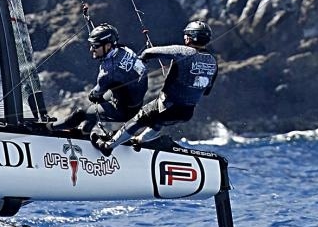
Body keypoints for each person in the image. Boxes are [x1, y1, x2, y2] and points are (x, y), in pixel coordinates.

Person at [94, 19, 218, 153]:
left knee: (138, 119)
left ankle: (108, 146)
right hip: (187, 112)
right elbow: (206, 91)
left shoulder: (183, 51)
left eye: (186, 35)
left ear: (190, 37)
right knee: (158, 122)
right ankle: (139, 140)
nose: (184, 38)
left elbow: (149, 52)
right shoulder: (213, 62)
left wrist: (141, 61)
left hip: (167, 105)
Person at [83, 22, 148, 136]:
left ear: (108, 45)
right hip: (135, 103)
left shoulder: (107, 72)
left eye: (95, 46)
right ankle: (115, 131)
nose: (91, 49)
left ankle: (81, 133)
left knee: (86, 112)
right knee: (110, 93)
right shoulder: (125, 50)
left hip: (124, 111)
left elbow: (96, 94)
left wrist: (93, 96)